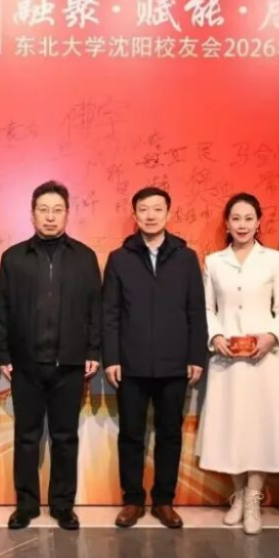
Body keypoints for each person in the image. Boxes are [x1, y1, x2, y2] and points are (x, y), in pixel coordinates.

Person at [0, 181, 102, 531]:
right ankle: (25, 505)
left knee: (65, 438)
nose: (50, 217)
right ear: (32, 214)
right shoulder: (14, 257)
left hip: (69, 364)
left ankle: (62, 505)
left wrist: (93, 350)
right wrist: (2, 353)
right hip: (25, 365)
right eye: (43, 210)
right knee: (26, 437)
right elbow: (2, 309)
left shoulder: (85, 257)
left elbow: (95, 308)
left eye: (57, 210)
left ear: (67, 214)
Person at [197, 193, 279, 535]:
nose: (242, 225)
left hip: (265, 360)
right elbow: (207, 308)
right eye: (236, 218)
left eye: (248, 218)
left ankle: (254, 497)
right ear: (226, 224)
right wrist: (215, 336)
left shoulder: (273, 260)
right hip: (227, 360)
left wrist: (272, 336)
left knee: (260, 427)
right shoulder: (214, 262)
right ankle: (238, 495)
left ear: (258, 223)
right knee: (232, 427)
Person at [103, 187, 206, 529]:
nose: (150, 215)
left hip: (174, 363)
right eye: (144, 209)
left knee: (169, 434)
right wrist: (112, 358)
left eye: (157, 209)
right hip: (130, 364)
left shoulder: (186, 258)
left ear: (168, 213)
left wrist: (196, 356)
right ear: (134, 215)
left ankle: (164, 501)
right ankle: (132, 500)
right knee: (131, 434)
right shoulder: (119, 258)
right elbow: (110, 313)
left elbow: (196, 311)